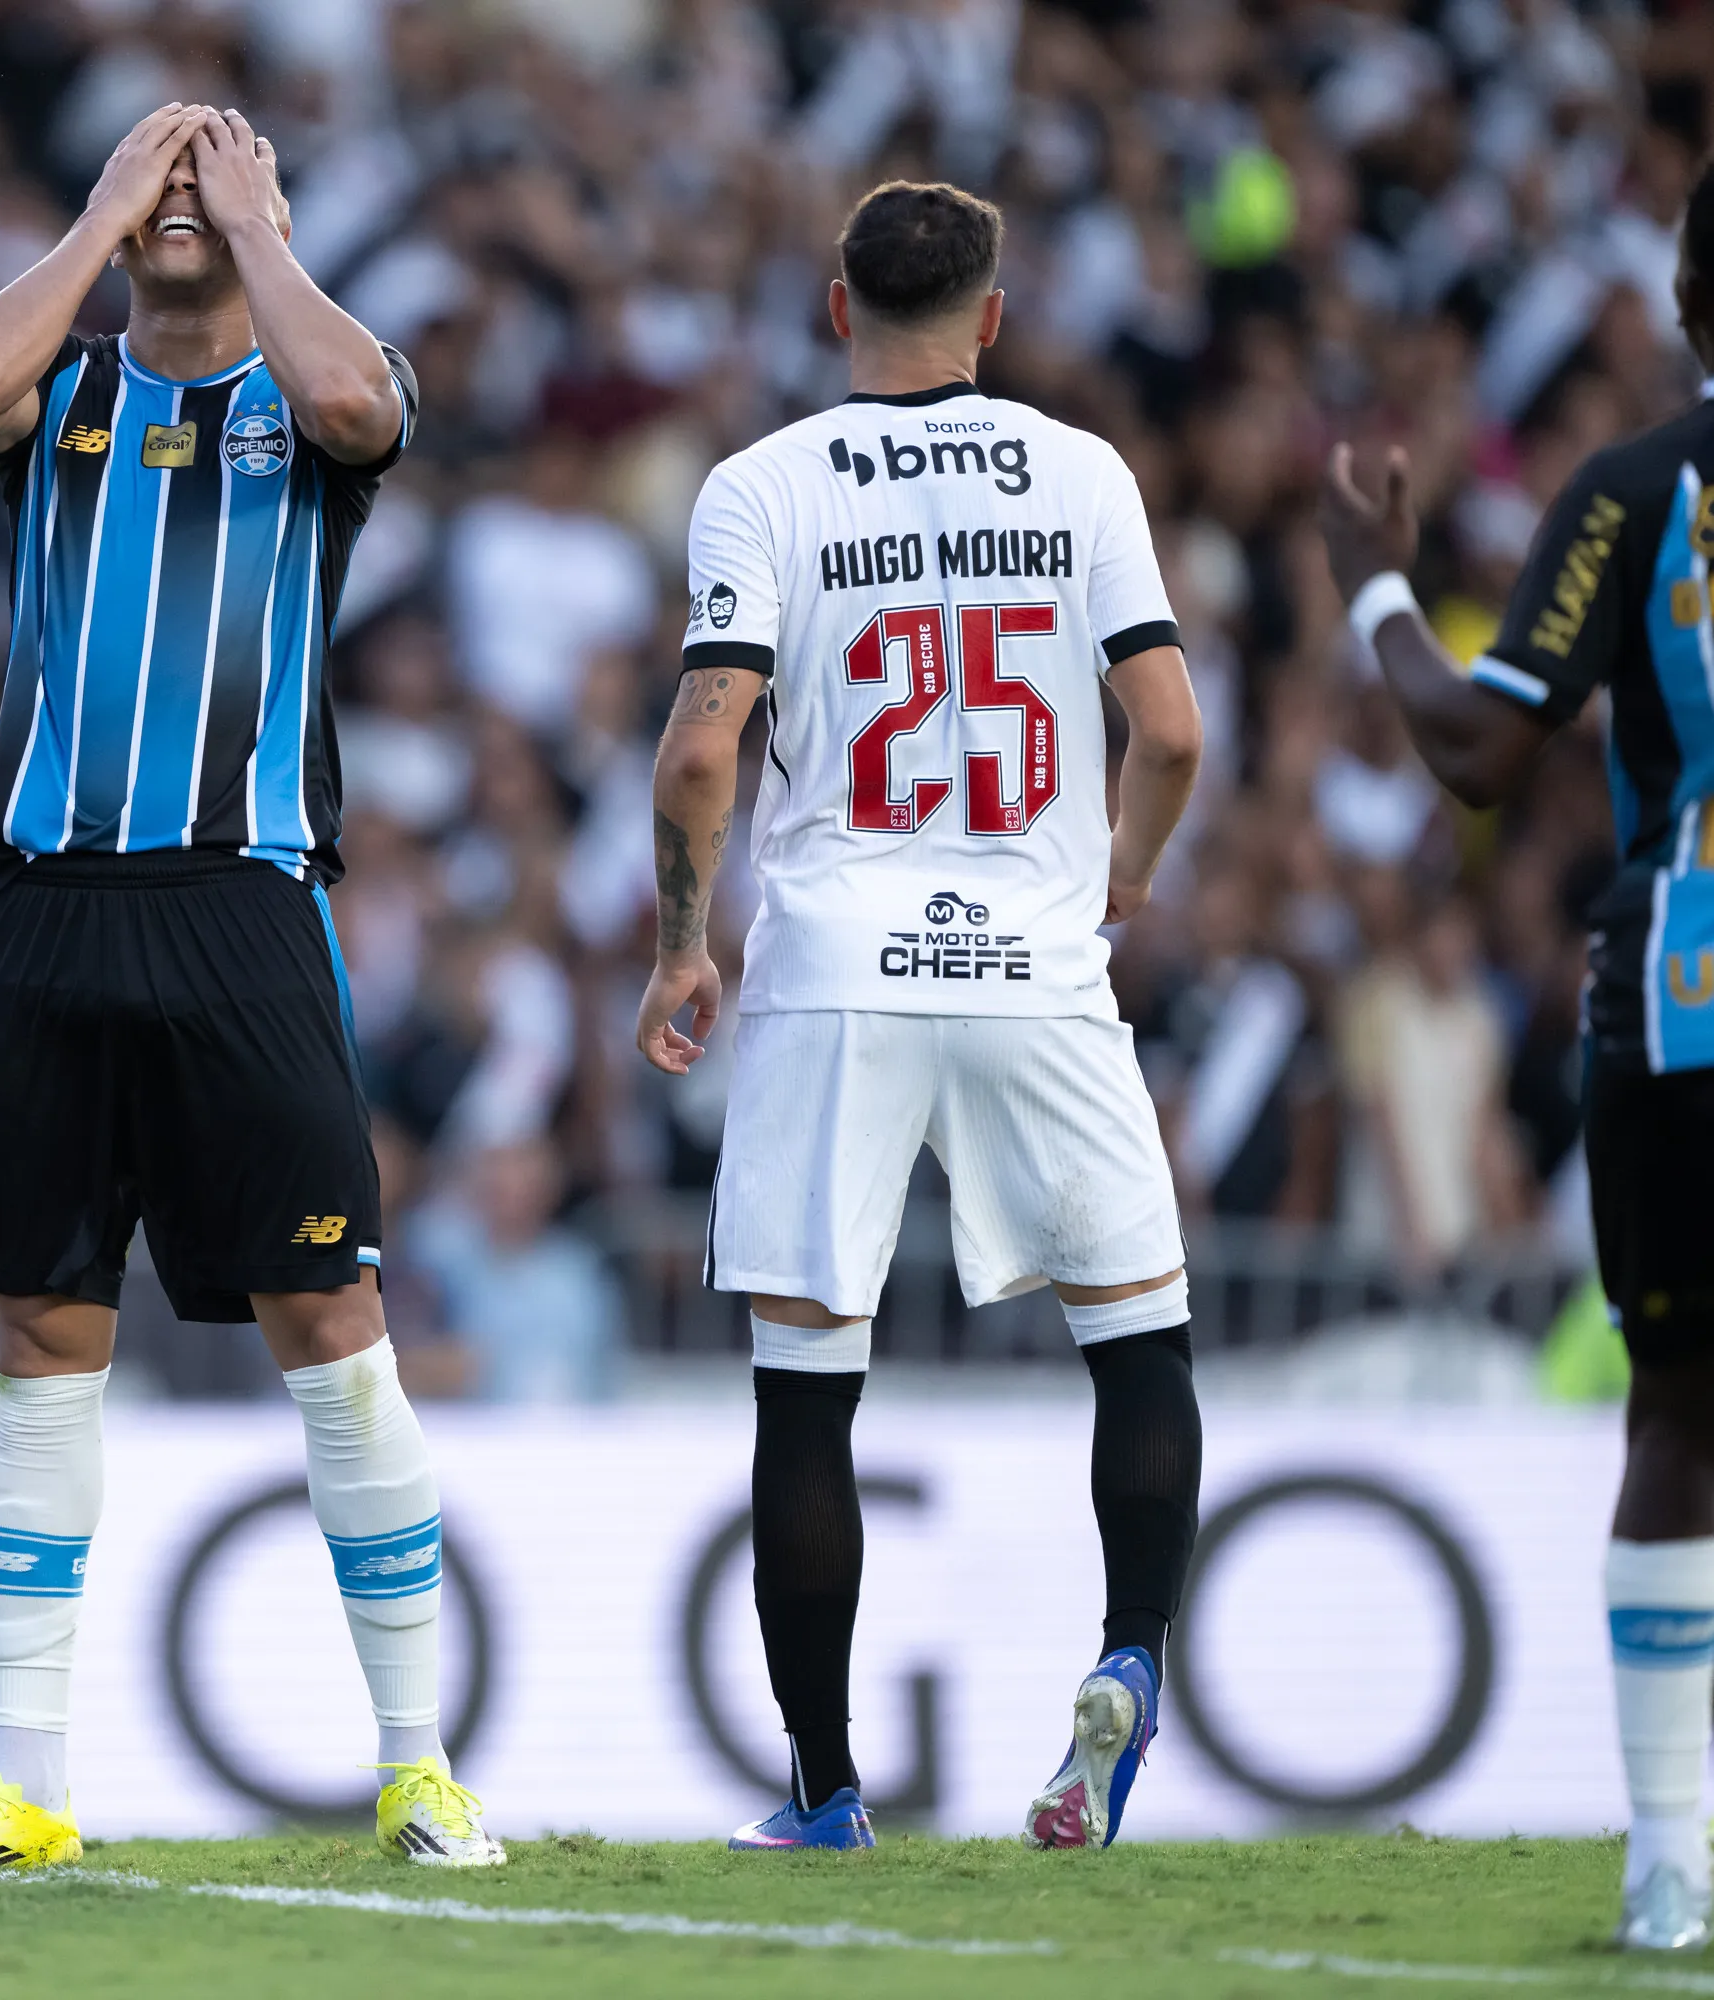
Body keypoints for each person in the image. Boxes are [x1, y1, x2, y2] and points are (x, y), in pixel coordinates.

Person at [0, 103, 503, 1873]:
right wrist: (99, 216)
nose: (182, 208)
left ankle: (415, 1765)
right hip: (47, 913)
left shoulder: (317, 389)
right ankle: (27, 1788)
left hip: (244, 908)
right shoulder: (63, 394)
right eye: (160, 182)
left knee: (331, 1330)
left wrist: (255, 229)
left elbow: (367, 410)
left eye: (209, 184)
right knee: (42, 1338)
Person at [636, 182, 1207, 1853]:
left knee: (809, 1394)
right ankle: (1129, 1655)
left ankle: (821, 1788)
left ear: (835, 310)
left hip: (833, 973)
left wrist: (684, 942)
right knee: (1140, 1341)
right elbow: (1165, 726)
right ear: (995, 318)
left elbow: (695, 752)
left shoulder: (764, 488)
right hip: (1039, 959)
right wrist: (1125, 877)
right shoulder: (1083, 471)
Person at [1319, 160, 1714, 1953]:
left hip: (1686, 994)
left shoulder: (1641, 496)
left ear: (1688, 307)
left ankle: (1668, 1871)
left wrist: (1377, 593)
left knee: (1681, 1416)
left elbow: (1483, 754)